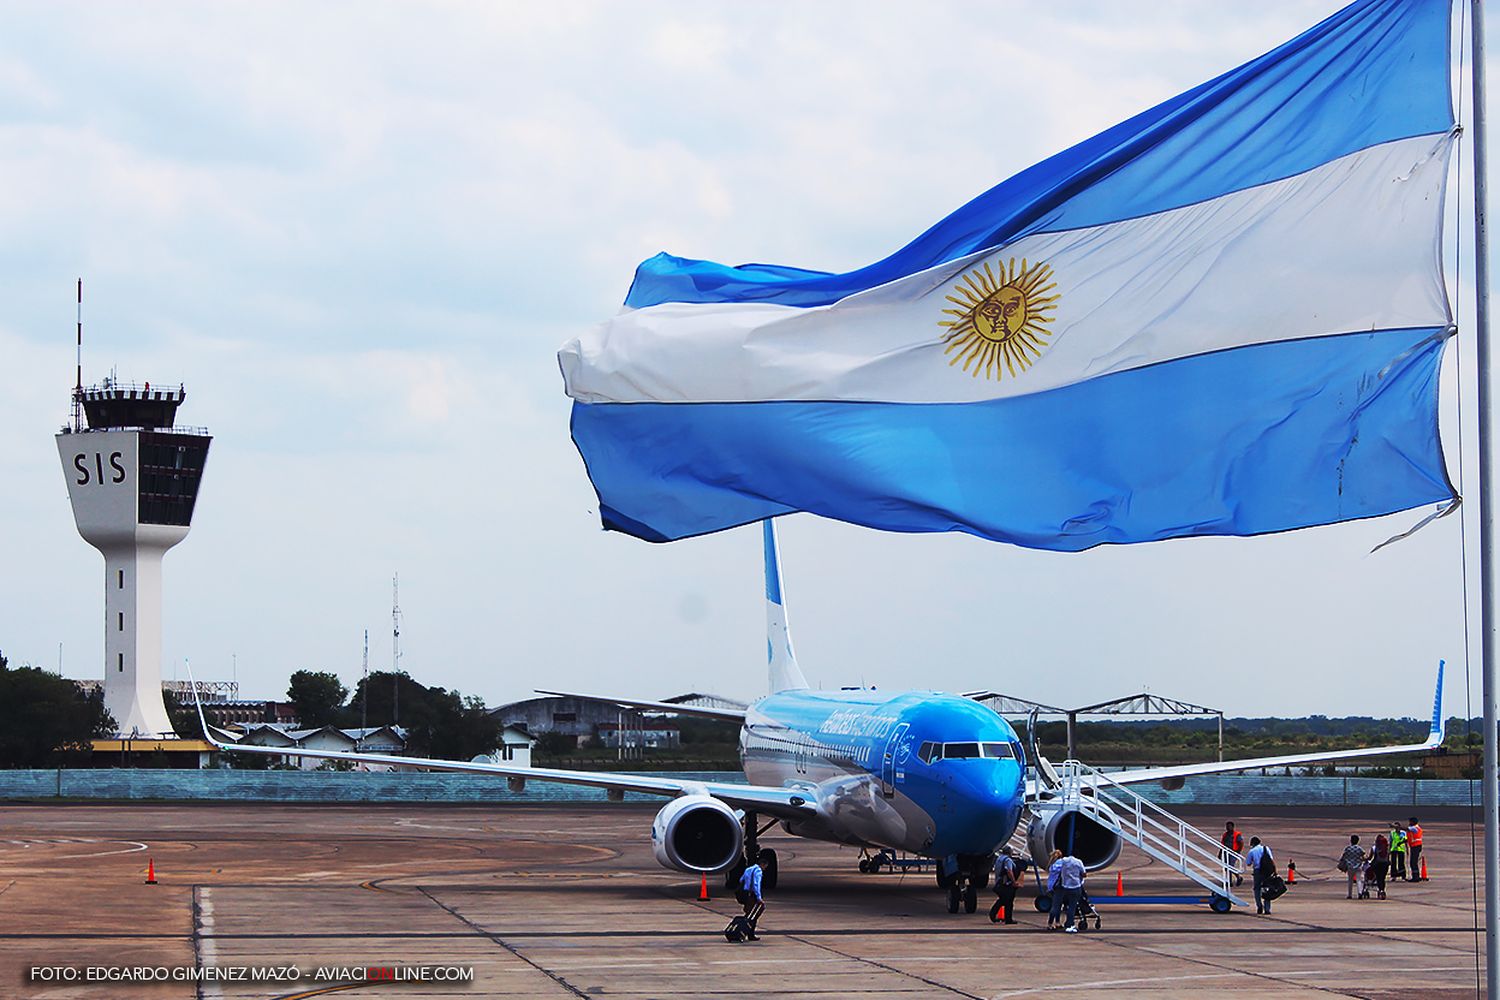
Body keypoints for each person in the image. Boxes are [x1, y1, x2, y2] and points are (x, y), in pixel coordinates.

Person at [1049, 852, 1086, 933]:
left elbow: (1053, 869)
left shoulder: (1063, 861)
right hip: (1075, 886)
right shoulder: (1078, 862)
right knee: (1072, 907)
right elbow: (1084, 873)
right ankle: (1069, 924)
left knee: (1057, 905)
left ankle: (1052, 923)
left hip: (1064, 886)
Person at [737, 852, 765, 941]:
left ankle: (744, 931)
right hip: (752, 895)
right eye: (765, 867)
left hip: (745, 894)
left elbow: (741, 879)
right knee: (753, 915)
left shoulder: (748, 869)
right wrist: (759, 897)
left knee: (749, 914)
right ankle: (750, 934)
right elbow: (756, 885)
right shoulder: (758, 871)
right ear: (762, 865)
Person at [1244, 836, 1275, 915]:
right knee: (1266, 889)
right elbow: (1271, 860)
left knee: (1257, 889)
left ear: (1252, 843)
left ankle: (1259, 906)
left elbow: (1248, 863)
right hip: (1267, 871)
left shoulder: (1252, 851)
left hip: (1258, 871)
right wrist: (1274, 871)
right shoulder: (1266, 848)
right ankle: (1267, 909)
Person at [992, 847, 1022, 925]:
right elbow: (1009, 871)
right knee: (1008, 902)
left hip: (999, 882)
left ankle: (993, 914)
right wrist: (1014, 881)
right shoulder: (1007, 860)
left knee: (1003, 900)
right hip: (1006, 884)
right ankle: (1008, 919)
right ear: (1009, 852)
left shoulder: (999, 859)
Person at [1339, 835, 1367, 900]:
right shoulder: (1359, 849)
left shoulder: (1348, 848)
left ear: (1351, 841)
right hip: (1358, 866)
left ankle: (1349, 894)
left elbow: (1344, 857)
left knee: (1350, 880)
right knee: (1359, 880)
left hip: (1350, 866)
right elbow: (1363, 857)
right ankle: (1360, 893)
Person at [1045, 850, 1065, 930]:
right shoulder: (1062, 864)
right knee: (1056, 906)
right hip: (1058, 887)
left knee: (1057, 905)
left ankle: (1057, 922)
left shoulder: (1052, 865)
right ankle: (1050, 923)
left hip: (1051, 886)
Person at [1221, 821, 1245, 887]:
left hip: (1233, 852)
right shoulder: (1225, 835)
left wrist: (1237, 851)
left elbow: (1241, 843)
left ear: (1232, 827)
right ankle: (1231, 881)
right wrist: (1220, 853)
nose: (1228, 828)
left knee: (1230, 866)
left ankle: (1235, 879)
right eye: (1227, 826)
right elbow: (1222, 844)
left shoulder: (1237, 834)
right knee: (1227, 867)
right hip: (1226, 852)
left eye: (1229, 826)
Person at [1370, 832, 1390, 900]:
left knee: (1378, 878)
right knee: (1383, 878)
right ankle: (1382, 890)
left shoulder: (1374, 848)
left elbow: (1370, 857)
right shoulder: (1387, 848)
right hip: (1385, 864)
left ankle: (1380, 889)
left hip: (1377, 864)